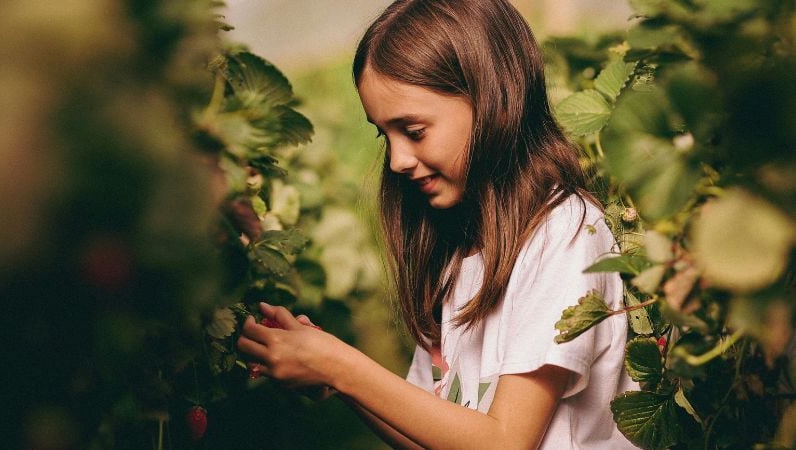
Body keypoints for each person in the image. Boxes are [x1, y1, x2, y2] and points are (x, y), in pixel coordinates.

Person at [237, 0, 638, 448]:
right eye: (383, 135)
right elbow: (435, 438)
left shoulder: (563, 234)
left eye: (413, 130)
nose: (397, 160)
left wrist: (341, 365)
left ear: (491, 99)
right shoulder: (460, 255)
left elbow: (505, 442)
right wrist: (339, 380)